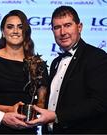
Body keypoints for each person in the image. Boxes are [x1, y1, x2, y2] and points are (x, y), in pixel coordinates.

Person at [27, 5, 107, 134]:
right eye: (57, 27)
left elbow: (100, 102)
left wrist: (56, 116)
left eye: (67, 25)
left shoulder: (96, 57)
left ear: (79, 27)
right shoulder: (55, 63)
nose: (62, 32)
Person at [0, 9, 48, 134]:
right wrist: (9, 110)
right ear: (3, 32)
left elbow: (41, 103)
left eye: (20, 27)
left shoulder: (38, 64)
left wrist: (31, 117)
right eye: (10, 27)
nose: (15, 31)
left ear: (25, 32)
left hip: (26, 129)